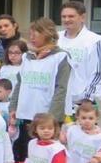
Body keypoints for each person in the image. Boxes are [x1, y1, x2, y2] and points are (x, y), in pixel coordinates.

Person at [9, 18, 71, 149]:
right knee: (26, 153)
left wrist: (52, 118)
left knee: (45, 155)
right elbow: (20, 83)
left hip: (46, 118)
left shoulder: (61, 57)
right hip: (25, 115)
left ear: (46, 35)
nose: (31, 38)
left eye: (35, 34)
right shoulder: (27, 56)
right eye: (30, 34)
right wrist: (13, 107)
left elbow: (61, 89)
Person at [57, 1, 101, 114]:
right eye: (63, 16)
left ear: (82, 17)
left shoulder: (95, 40)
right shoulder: (56, 38)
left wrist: (87, 99)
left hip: (80, 101)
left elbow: (98, 73)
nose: (66, 20)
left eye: (71, 16)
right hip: (57, 99)